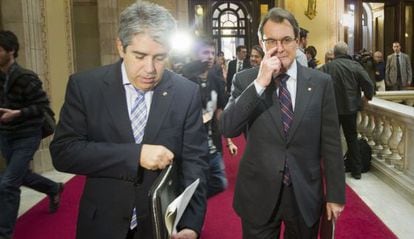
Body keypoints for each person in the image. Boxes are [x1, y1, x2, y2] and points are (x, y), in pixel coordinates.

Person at [49, 2, 209, 239]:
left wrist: (191, 223)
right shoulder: (86, 87)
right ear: (120, 47)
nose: (150, 69)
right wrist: (136, 155)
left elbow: (195, 163)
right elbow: (64, 152)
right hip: (102, 224)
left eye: (160, 58)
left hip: (161, 225)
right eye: (140, 56)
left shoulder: (186, 93)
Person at [220, 8, 345, 238]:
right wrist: (260, 83)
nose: (279, 47)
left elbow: (331, 144)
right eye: (271, 41)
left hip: (304, 193)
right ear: (261, 42)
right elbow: (228, 127)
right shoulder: (246, 80)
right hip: (259, 193)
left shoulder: (321, 83)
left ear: (297, 41)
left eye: (286, 40)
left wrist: (336, 194)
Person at [0, 30, 63, 239]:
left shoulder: (26, 76)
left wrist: (17, 113)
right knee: (20, 175)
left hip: (28, 134)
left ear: (11, 51)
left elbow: (42, 107)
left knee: (9, 182)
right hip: (6, 134)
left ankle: (4, 233)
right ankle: (53, 188)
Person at [181, 38, 237, 198]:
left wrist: (229, 141)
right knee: (193, 187)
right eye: (206, 52)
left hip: (214, 146)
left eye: (213, 53)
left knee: (220, 183)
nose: (211, 56)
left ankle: (196, 199)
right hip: (194, 148)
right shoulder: (186, 81)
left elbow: (220, 113)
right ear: (195, 55)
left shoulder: (216, 80)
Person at [320, 41, 374, 180]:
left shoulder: (327, 67)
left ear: (335, 53)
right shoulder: (355, 66)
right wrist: (366, 97)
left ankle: (333, 170)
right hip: (351, 108)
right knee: (352, 138)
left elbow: (315, 84)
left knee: (332, 140)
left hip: (332, 109)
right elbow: (368, 83)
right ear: (346, 52)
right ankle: (356, 171)